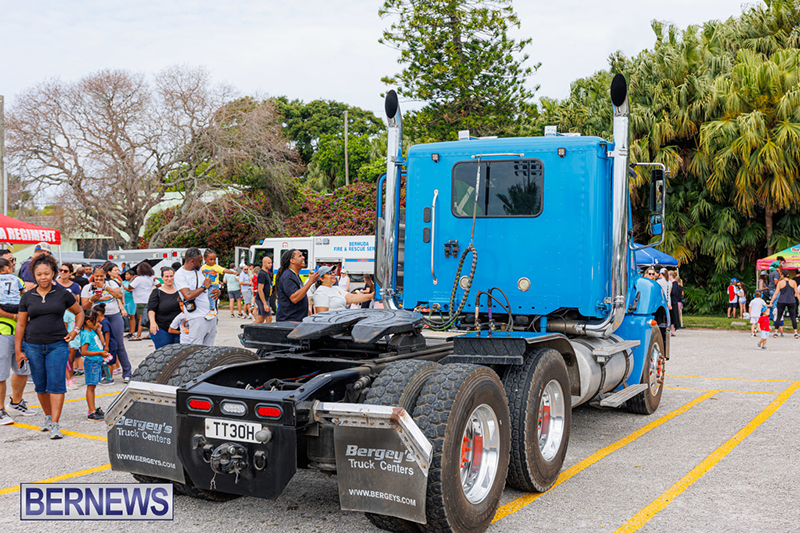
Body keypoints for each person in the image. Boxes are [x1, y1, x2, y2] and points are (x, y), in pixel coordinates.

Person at [16, 254, 84, 439]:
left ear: (53, 273)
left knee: (56, 384)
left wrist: (75, 331)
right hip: (33, 346)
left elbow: (79, 312)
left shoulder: (63, 294)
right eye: (39, 274)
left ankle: (55, 423)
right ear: (34, 275)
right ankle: (47, 416)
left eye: (46, 273)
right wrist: (18, 351)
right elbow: (21, 325)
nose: (43, 277)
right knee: (40, 385)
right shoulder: (27, 297)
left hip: (57, 346)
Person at [0, 249, 35, 421]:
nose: (13, 264)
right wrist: (15, 316)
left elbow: (26, 300)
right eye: (10, 261)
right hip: (3, 332)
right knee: (1, 375)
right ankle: (0, 410)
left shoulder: (18, 280)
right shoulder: (16, 280)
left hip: (21, 333)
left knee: (22, 369)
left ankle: (16, 402)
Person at [81, 265, 131, 383]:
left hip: (114, 315)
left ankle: (127, 373)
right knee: (100, 346)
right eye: (96, 276)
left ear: (105, 275)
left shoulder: (111, 283)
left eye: (101, 276)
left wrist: (104, 287)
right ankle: (105, 375)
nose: (98, 278)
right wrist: (92, 299)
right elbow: (84, 307)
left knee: (119, 345)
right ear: (93, 275)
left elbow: (119, 295)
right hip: (96, 319)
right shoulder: (87, 288)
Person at [174, 247, 219, 346]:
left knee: (209, 349)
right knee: (196, 348)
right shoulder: (180, 275)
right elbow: (187, 295)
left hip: (210, 315)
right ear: (191, 261)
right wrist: (203, 287)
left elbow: (209, 286)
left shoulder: (199, 270)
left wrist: (217, 292)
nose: (202, 263)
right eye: (200, 261)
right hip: (197, 316)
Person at [79, 308, 110, 420]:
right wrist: (99, 353)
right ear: (88, 322)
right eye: (96, 322)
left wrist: (99, 331)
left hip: (96, 362)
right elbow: (84, 352)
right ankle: (91, 411)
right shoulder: (86, 334)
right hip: (91, 363)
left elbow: (102, 343)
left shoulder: (92, 332)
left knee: (93, 386)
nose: (98, 324)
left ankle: (93, 408)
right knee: (91, 387)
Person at [275, 249, 320, 322]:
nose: (303, 257)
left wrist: (307, 311)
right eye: (300, 256)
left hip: (295, 321)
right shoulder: (288, 276)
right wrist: (310, 281)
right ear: (292, 260)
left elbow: (300, 294)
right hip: (289, 322)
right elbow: (294, 298)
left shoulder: (295, 275)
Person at [148, 267, 182, 349]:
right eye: (166, 276)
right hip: (162, 328)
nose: (169, 279)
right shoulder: (157, 292)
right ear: (162, 278)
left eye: (171, 276)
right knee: (163, 353)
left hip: (179, 329)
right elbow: (151, 309)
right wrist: (152, 322)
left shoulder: (180, 291)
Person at [200, 249, 236, 320]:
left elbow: (224, 270)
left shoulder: (216, 267)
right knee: (205, 297)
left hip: (213, 285)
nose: (213, 261)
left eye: (214, 259)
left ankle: (212, 310)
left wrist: (233, 272)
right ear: (205, 259)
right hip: (206, 284)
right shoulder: (203, 267)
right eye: (211, 259)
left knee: (211, 296)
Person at [127, 262, 156, 340]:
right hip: (149, 299)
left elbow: (130, 287)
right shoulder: (151, 277)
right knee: (149, 317)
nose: (137, 269)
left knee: (141, 318)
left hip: (140, 300)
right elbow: (159, 284)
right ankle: (150, 334)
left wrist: (132, 279)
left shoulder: (138, 278)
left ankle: (138, 335)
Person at [769, 269, 800, 339]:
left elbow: (776, 293)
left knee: (779, 316)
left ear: (782, 275)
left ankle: (776, 332)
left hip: (781, 301)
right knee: (793, 317)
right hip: (791, 301)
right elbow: (797, 293)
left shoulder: (780, 283)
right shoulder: (793, 282)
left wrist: (771, 301)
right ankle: (795, 333)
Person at [94, 304, 117, 385]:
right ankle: (106, 376)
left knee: (109, 361)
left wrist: (106, 345)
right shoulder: (101, 322)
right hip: (107, 345)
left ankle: (110, 378)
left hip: (110, 344)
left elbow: (107, 334)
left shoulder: (105, 322)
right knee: (106, 361)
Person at [254, 256, 273, 324]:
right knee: (269, 319)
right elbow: (260, 289)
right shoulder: (262, 274)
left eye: (271, 263)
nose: (270, 264)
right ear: (263, 263)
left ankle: (248, 328)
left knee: (260, 320)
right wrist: (265, 304)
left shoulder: (266, 273)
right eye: (268, 263)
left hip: (264, 298)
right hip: (262, 299)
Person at [122, 269, 137, 335]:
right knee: (125, 316)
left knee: (131, 316)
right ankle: (129, 330)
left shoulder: (134, 282)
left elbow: (131, 290)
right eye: (125, 274)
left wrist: (124, 287)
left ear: (131, 275)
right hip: (125, 301)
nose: (126, 276)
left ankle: (132, 332)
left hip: (131, 301)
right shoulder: (123, 282)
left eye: (127, 274)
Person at [668, 271, 683, 335]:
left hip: (673, 301)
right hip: (672, 301)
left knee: (673, 316)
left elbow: (674, 292)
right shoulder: (672, 283)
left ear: (671, 276)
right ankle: (672, 330)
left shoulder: (674, 283)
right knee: (672, 316)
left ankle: (673, 330)